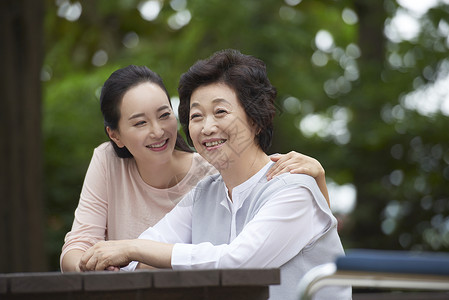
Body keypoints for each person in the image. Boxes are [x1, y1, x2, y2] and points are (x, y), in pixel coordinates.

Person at [78, 49, 351, 300]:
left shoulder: (293, 189)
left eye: (220, 112)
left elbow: (239, 264)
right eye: (197, 116)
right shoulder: (204, 193)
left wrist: (131, 250)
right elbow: (151, 243)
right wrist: (118, 258)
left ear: (255, 120)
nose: (207, 127)